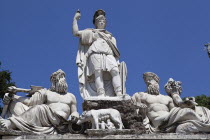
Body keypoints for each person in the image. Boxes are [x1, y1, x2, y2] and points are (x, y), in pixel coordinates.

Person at [0, 69, 79, 134]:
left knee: (40, 108)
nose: (61, 80)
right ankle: (12, 123)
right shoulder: (46, 92)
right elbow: (29, 102)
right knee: (18, 105)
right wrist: (13, 97)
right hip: (46, 119)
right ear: (53, 81)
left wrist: (75, 115)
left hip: (62, 122)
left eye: (62, 77)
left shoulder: (71, 96)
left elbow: (74, 111)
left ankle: (11, 124)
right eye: (58, 78)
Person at [132, 72, 210, 133]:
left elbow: (176, 108)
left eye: (150, 79)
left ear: (157, 82)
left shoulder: (167, 98)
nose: (148, 81)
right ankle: (205, 124)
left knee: (201, 109)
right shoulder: (141, 95)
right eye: (146, 80)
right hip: (158, 121)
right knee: (187, 112)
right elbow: (134, 107)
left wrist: (182, 99)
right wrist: (141, 110)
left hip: (171, 117)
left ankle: (203, 124)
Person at [73, 9, 124, 98]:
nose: (101, 22)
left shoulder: (111, 37)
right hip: (95, 54)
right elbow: (76, 33)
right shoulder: (91, 33)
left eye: (103, 20)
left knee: (115, 71)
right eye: (99, 20)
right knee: (98, 73)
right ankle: (101, 93)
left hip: (108, 55)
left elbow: (116, 54)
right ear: (95, 22)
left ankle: (119, 92)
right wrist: (75, 19)